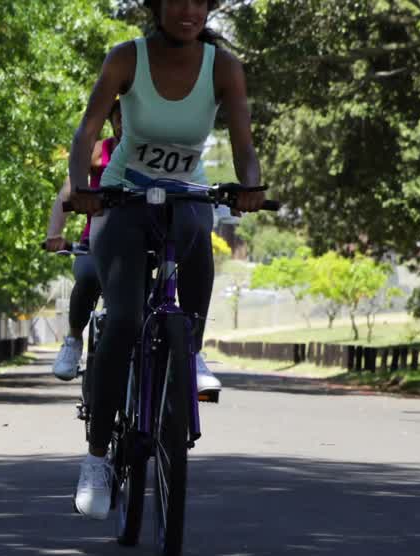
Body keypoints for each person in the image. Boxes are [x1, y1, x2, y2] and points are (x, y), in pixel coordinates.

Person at [65, 0, 266, 519]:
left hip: (186, 193)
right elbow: (87, 131)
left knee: (198, 229)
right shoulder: (125, 59)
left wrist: (249, 186)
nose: (189, 10)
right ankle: (95, 459)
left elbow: (244, 143)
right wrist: (85, 190)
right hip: (123, 198)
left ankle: (192, 350)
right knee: (126, 318)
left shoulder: (224, 67)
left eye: (200, 1)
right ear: (155, 6)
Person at [46, 100, 123, 381]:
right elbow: (67, 193)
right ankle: (74, 340)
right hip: (96, 243)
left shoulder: (153, 156)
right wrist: (54, 234)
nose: (125, 123)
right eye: (119, 117)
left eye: (132, 116)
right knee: (89, 277)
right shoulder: (96, 152)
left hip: (141, 242)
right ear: (112, 121)